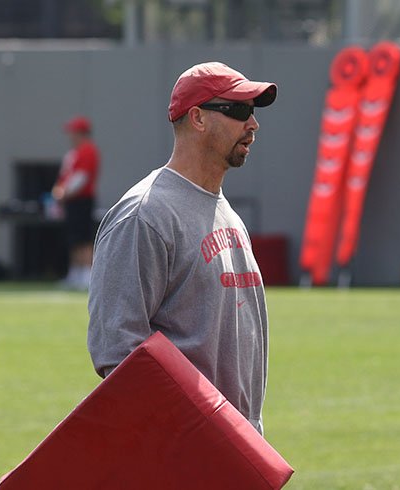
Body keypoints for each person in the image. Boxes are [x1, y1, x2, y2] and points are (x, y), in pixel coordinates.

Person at [87, 62, 277, 434]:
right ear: (198, 118)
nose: (252, 125)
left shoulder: (227, 213)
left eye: (252, 113)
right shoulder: (145, 214)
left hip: (237, 444)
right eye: (239, 111)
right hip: (187, 445)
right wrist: (187, 438)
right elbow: (117, 351)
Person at [53, 116, 100, 289]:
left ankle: (87, 274)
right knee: (73, 238)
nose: (70, 136)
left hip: (81, 199)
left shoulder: (88, 150)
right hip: (72, 200)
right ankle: (75, 273)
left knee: (83, 238)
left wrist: (64, 192)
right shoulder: (75, 152)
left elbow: (81, 177)